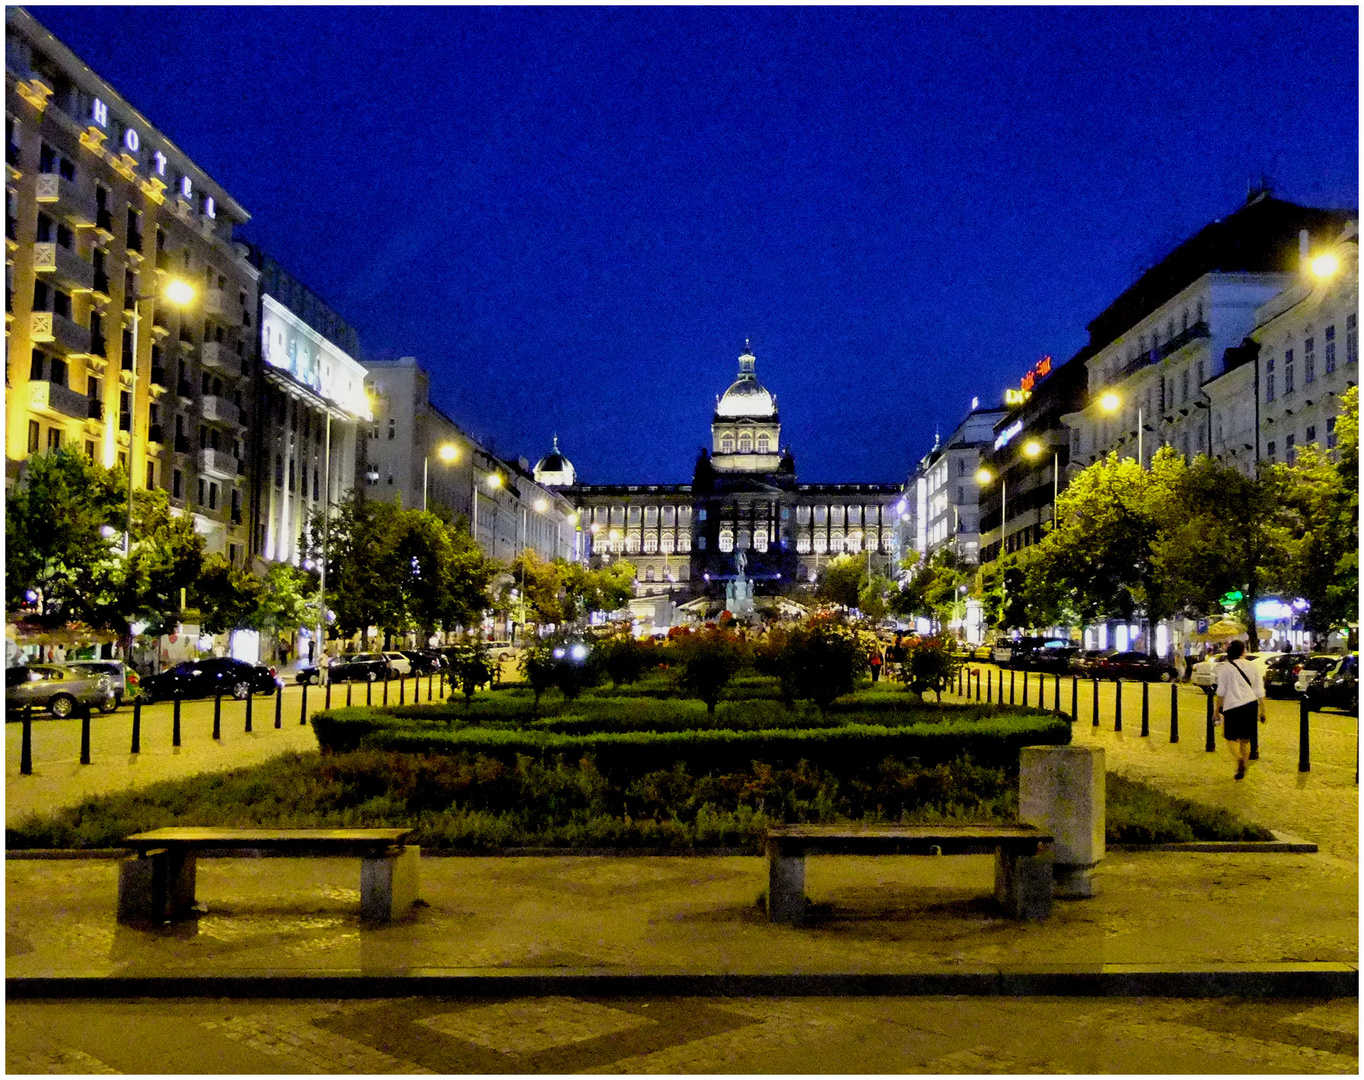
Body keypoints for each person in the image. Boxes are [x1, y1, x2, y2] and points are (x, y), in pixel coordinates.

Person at [1213, 639, 1266, 780]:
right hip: (1250, 705)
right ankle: (1244, 760)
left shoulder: (1225, 668)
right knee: (1245, 739)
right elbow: (1259, 690)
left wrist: (1216, 711)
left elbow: (1221, 692)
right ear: (1243, 651)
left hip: (1232, 707)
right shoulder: (1252, 667)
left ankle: (1238, 760)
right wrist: (1263, 710)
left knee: (1230, 737)